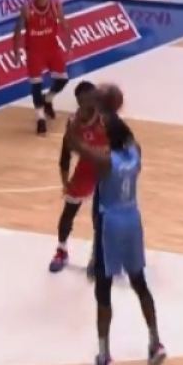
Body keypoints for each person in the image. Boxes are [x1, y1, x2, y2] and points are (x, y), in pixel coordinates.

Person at [65, 103, 166, 365]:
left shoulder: (105, 160)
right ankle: (155, 342)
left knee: (103, 289)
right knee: (139, 283)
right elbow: (127, 135)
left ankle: (104, 356)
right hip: (132, 220)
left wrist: (73, 124)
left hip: (110, 225)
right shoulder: (135, 152)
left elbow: (76, 146)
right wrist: (110, 118)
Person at [50, 81, 102, 273]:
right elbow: (65, 153)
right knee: (68, 211)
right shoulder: (74, 123)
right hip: (86, 168)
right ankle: (61, 250)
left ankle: (98, 256)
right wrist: (65, 182)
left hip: (106, 168)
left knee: (101, 216)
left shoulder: (107, 120)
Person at [12, 0, 71, 135]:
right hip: (34, 51)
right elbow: (17, 31)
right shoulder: (27, 8)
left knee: (63, 79)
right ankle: (40, 119)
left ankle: (48, 99)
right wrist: (16, 52)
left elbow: (64, 24)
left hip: (52, 48)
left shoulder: (56, 5)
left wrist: (69, 44)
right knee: (36, 85)